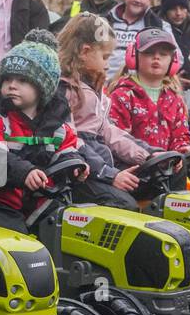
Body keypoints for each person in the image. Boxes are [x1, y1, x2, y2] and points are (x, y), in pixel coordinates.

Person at [0, 35, 80, 234]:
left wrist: (75, 166)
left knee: (73, 226)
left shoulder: (58, 128)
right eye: (7, 79)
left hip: (39, 204)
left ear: (43, 88)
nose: (12, 85)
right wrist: (24, 172)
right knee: (16, 240)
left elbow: (68, 148)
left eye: (23, 80)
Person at [57, 13, 151, 208]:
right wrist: (109, 174)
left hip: (101, 165)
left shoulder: (95, 86)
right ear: (84, 51)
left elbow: (108, 132)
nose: (108, 64)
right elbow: (72, 139)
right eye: (105, 56)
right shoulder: (64, 89)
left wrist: (147, 155)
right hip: (79, 173)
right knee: (125, 205)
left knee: (158, 181)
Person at [108, 28, 190, 153]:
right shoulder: (122, 95)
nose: (156, 57)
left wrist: (183, 149)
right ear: (133, 56)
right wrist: (147, 156)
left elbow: (180, 137)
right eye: (149, 52)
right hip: (134, 166)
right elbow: (118, 138)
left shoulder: (175, 99)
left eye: (163, 54)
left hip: (169, 165)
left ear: (173, 61)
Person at [105, 0, 162, 80]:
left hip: (138, 87)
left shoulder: (159, 25)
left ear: (149, 1)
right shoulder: (105, 21)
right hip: (103, 86)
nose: (137, 0)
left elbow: (176, 57)